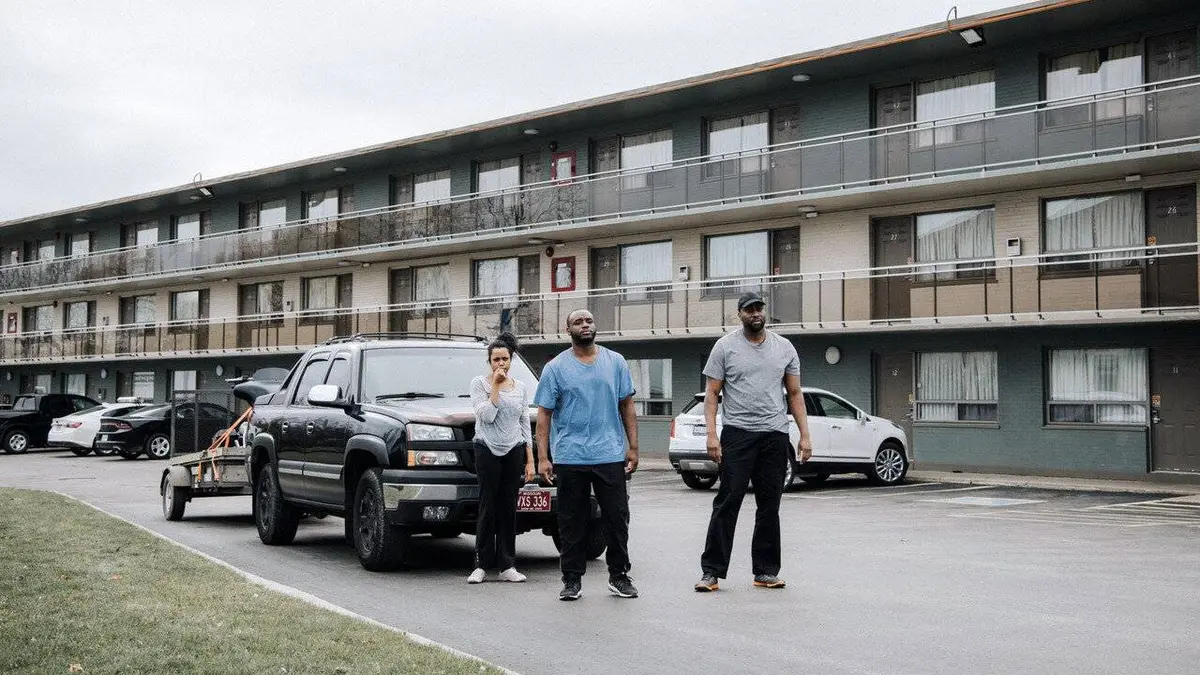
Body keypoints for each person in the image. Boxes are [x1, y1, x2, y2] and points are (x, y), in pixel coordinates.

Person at [694, 291, 812, 593]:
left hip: (774, 435)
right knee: (728, 501)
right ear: (740, 314)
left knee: (769, 505)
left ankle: (766, 571)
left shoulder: (784, 347)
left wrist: (805, 435)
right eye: (749, 310)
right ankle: (711, 572)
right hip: (738, 434)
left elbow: (795, 394)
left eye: (759, 308)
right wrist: (711, 434)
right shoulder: (725, 347)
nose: (756, 313)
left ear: (764, 311)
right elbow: (712, 394)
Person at [534, 309, 640, 601]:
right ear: (567, 329)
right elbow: (544, 415)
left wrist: (633, 447)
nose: (584, 325)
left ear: (595, 326)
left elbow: (627, 406)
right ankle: (571, 580)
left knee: (617, 517)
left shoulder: (615, 362)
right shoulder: (555, 367)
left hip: (609, 453)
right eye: (578, 322)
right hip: (570, 456)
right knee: (571, 521)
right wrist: (543, 457)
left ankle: (619, 576)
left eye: (589, 321)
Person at [468, 332, 535, 584]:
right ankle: (481, 564)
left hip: (513, 449)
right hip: (486, 447)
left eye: (504, 359)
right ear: (489, 361)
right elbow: (486, 416)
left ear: (511, 359)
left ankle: (507, 565)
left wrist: (530, 459)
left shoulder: (521, 388)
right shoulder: (479, 384)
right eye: (496, 359)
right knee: (488, 505)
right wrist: (495, 386)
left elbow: (524, 422)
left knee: (508, 506)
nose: (500, 363)